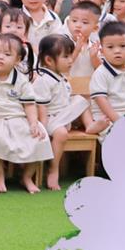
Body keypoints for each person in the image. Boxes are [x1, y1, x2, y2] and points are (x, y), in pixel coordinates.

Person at [0, 32, 50, 195]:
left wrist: (33, 123)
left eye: (7, 54)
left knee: (40, 137)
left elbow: (29, 105)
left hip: (18, 118)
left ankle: (26, 177)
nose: (0, 57)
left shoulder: (21, 80)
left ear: (17, 60)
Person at [31, 34, 85, 189]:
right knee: (61, 133)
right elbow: (41, 108)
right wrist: (43, 128)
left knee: (81, 100)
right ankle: (53, 169)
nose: (71, 60)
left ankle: (90, 125)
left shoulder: (60, 76)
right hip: (49, 120)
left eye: (71, 56)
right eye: (66, 57)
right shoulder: (43, 80)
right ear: (49, 60)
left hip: (62, 117)